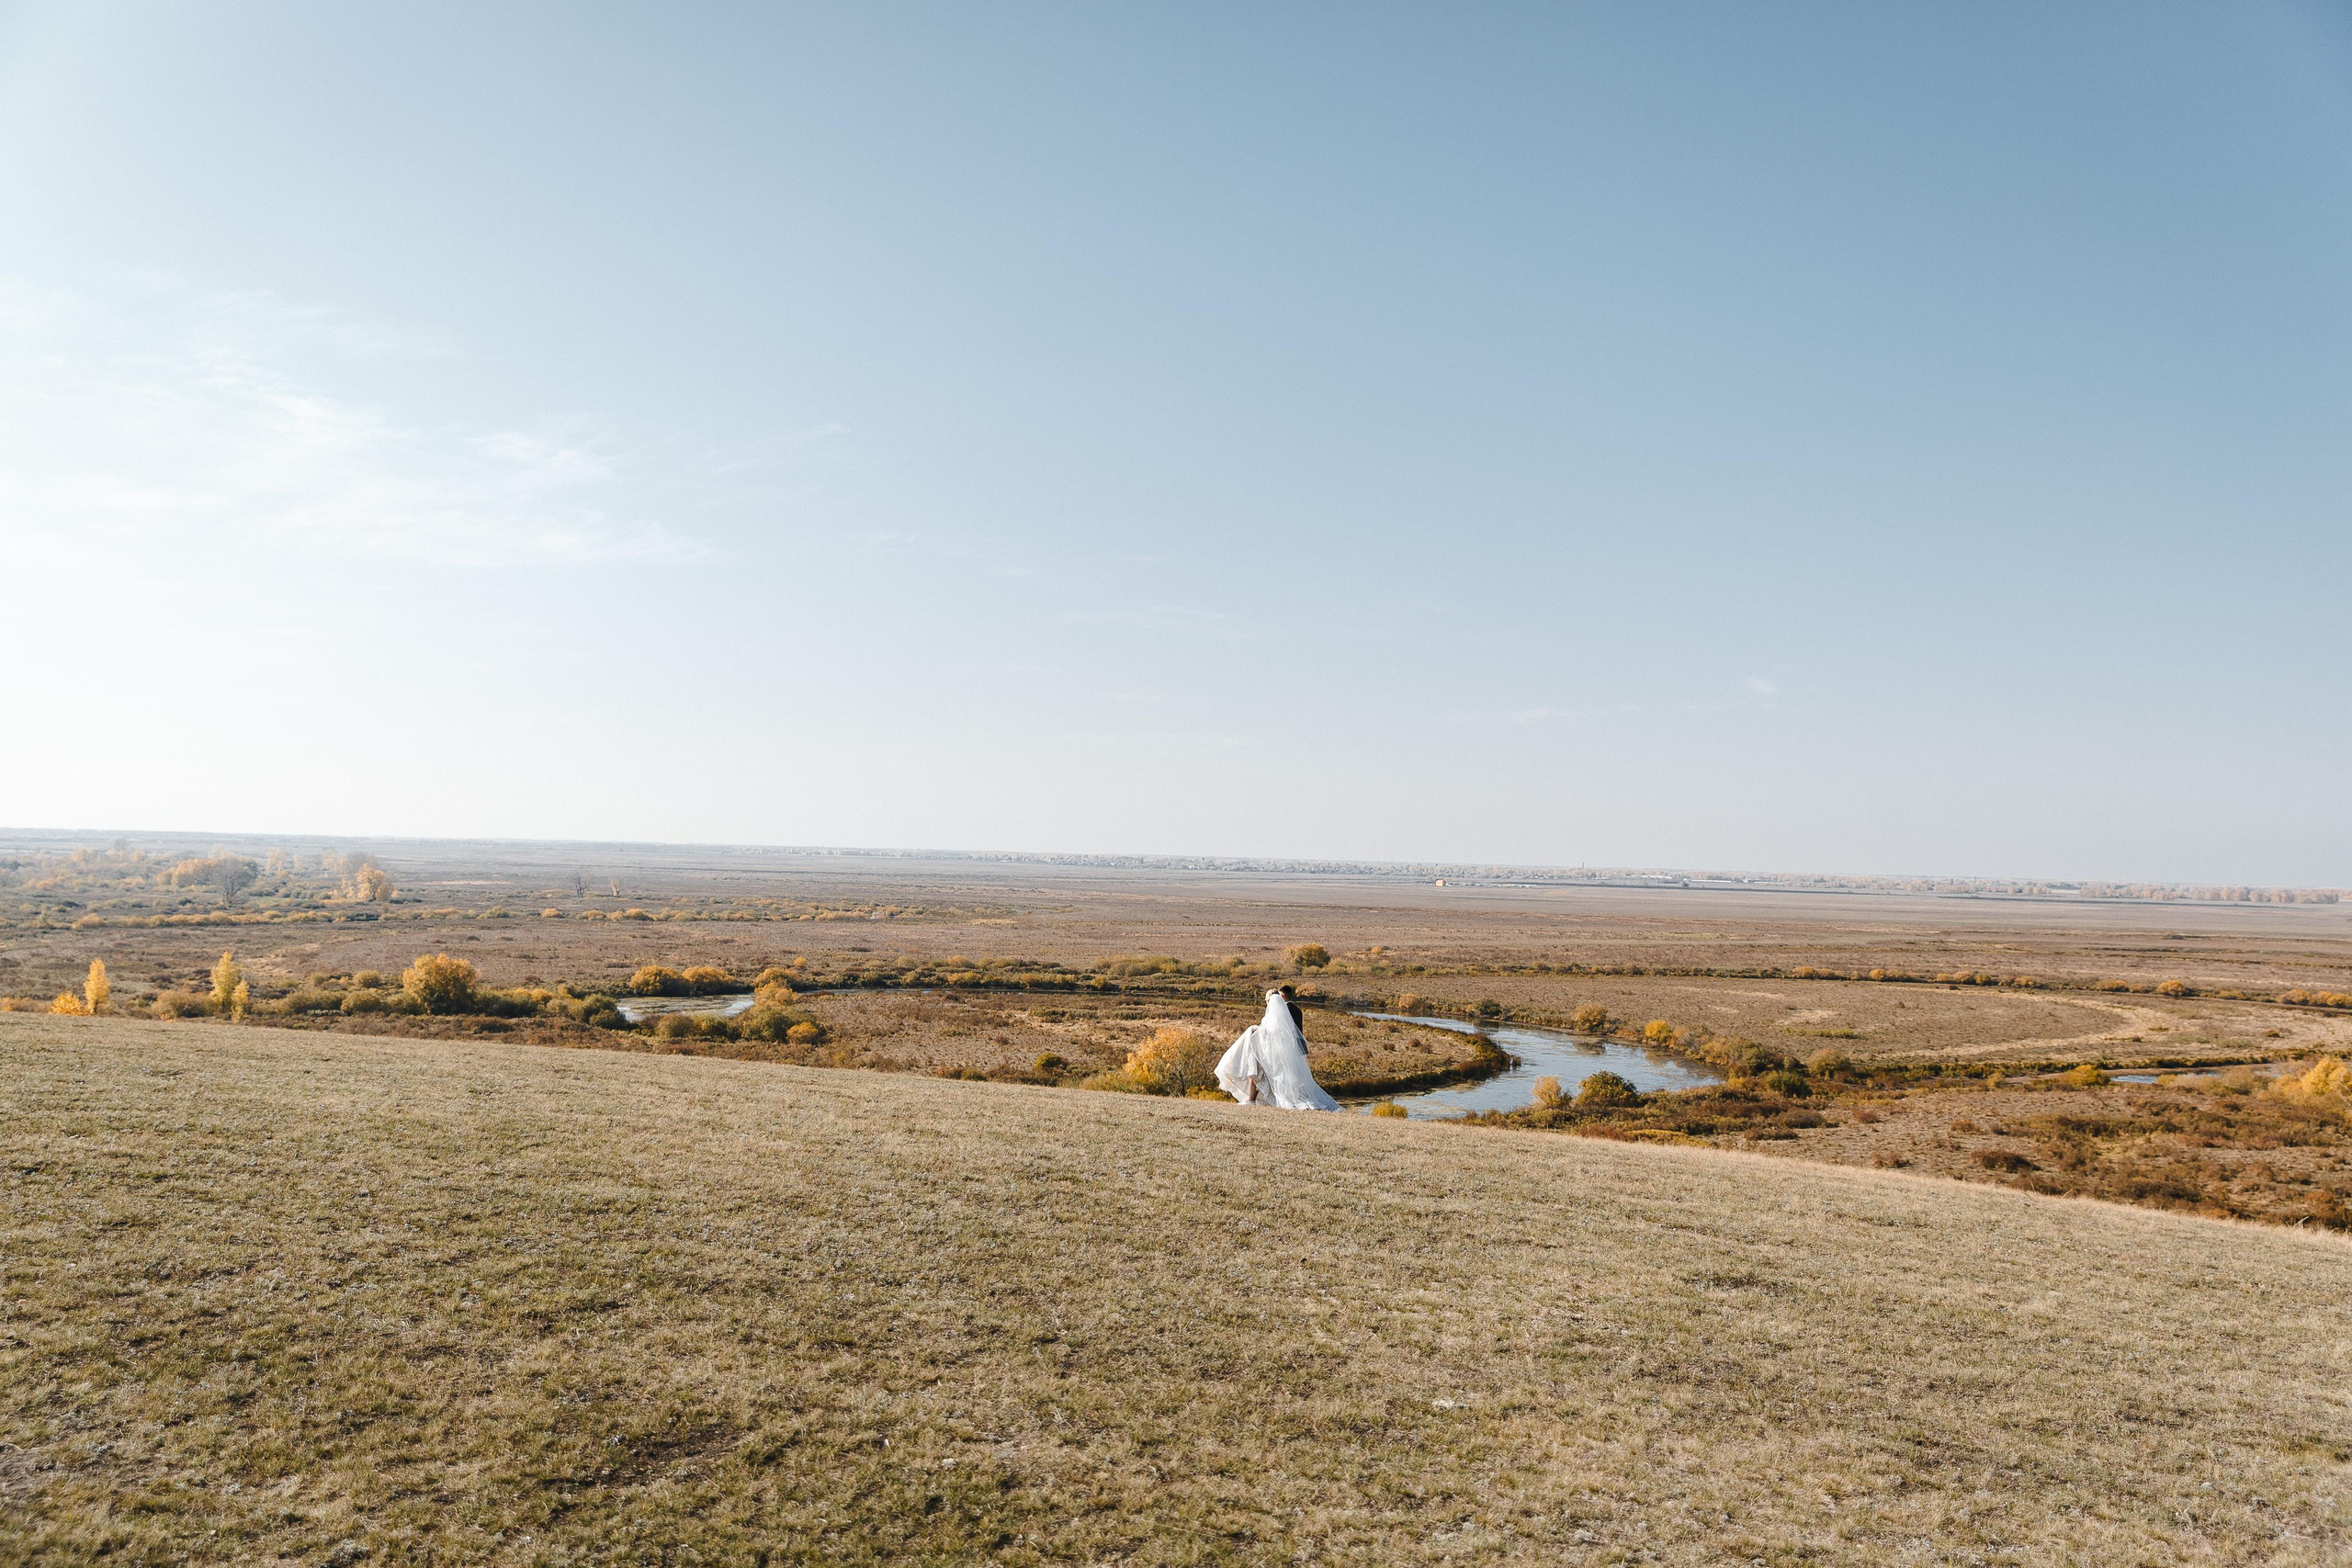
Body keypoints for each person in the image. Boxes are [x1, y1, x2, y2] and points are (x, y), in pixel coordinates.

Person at [1215, 986, 1340, 1111]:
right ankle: (1254, 1100)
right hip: (1288, 1051)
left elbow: (1270, 1033)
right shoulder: (1291, 1011)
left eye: (1266, 1000)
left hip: (1272, 1051)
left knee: (1259, 1073)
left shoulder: (1274, 1015)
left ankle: (1252, 1100)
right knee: (1274, 1076)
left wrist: (1254, 1030)